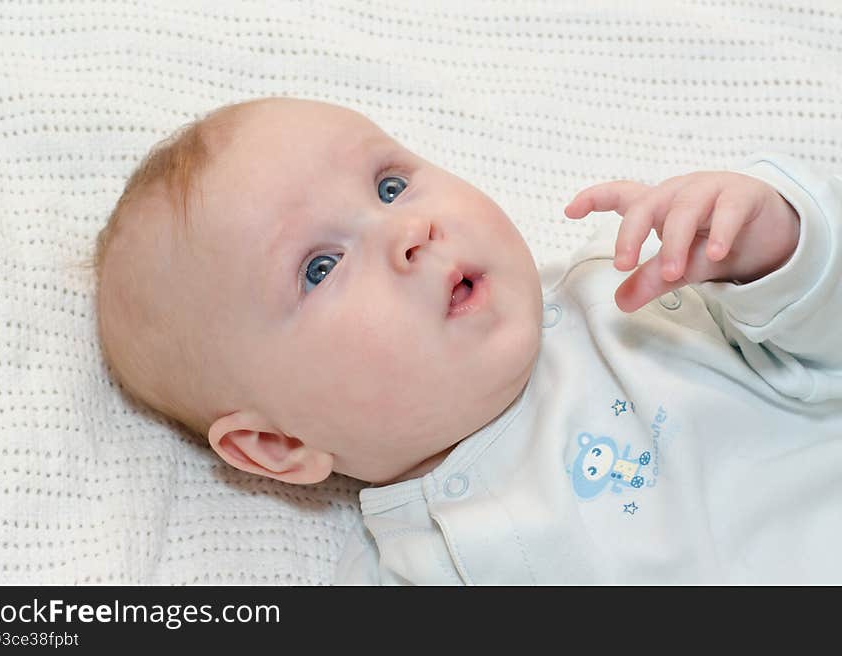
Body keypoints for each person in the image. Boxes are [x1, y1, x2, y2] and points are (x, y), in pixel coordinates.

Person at [92, 97, 842, 584]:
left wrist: (771, 243)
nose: (407, 231)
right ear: (279, 448)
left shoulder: (637, 307)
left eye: (390, 186)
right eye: (320, 267)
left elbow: (822, 343)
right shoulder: (409, 573)